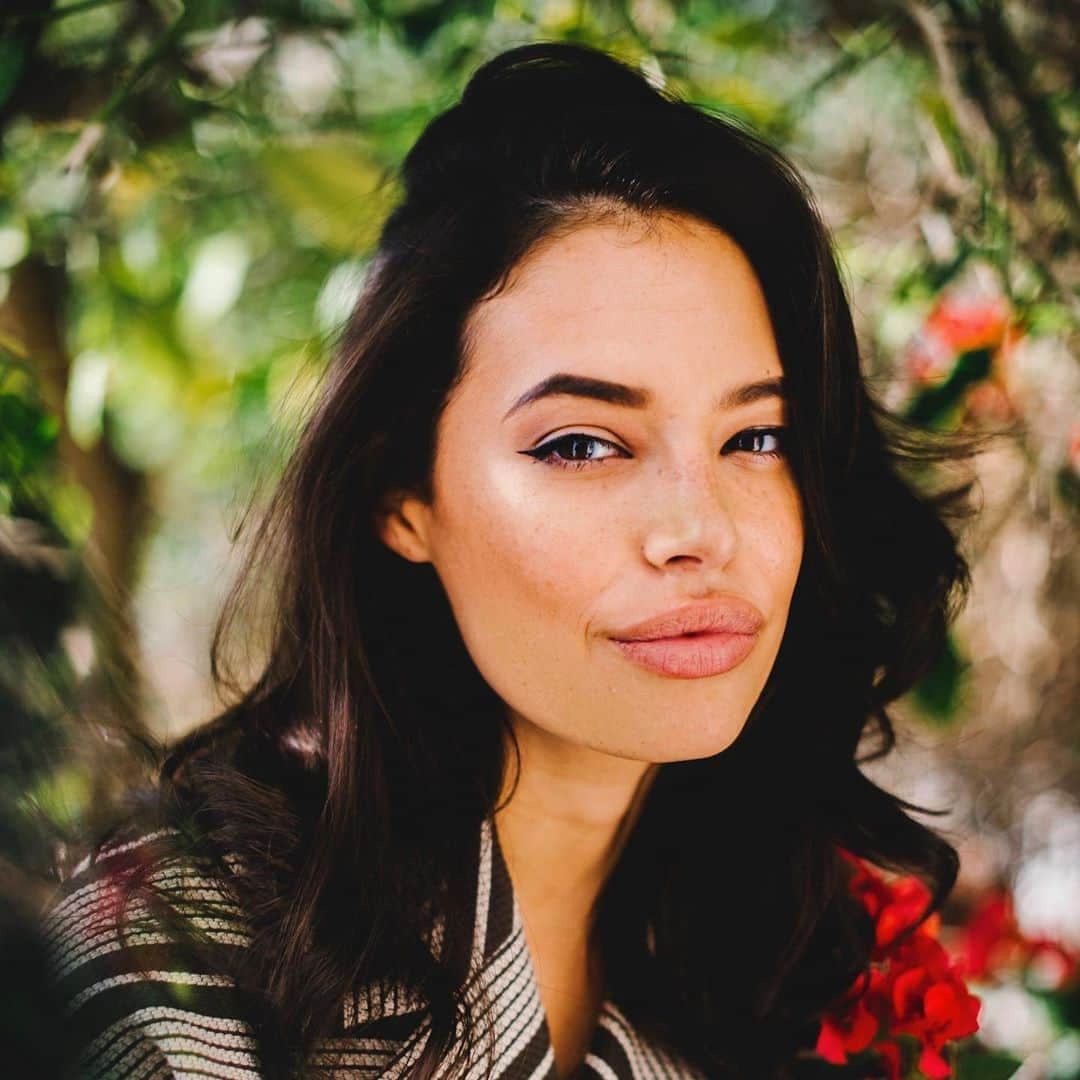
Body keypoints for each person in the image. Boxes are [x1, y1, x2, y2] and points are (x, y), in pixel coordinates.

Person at [41, 39, 982, 1080]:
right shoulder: (167, 974)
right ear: (404, 496)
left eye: (756, 439)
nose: (701, 529)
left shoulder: (788, 944)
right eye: (582, 445)